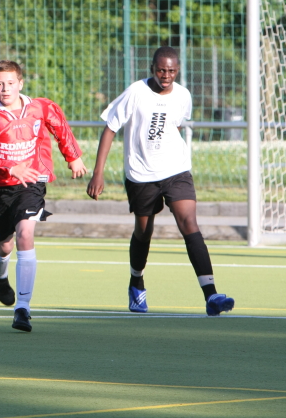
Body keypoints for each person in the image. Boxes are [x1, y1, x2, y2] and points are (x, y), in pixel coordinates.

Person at [86, 46, 235, 316]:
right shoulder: (136, 92)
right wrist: (98, 172)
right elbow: (110, 128)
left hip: (176, 170)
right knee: (144, 231)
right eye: (161, 70)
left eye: (171, 71)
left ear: (178, 71)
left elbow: (174, 125)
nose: (166, 75)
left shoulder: (183, 95)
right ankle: (136, 282)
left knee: (189, 223)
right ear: (152, 69)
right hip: (141, 174)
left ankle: (211, 295)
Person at [0, 60, 87, 332]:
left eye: (10, 83)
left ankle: (23, 308)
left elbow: (59, 124)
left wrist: (73, 156)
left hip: (31, 183)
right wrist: (10, 167)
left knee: (25, 233)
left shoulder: (39, 107)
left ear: (20, 84)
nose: (5, 89)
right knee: (5, 244)